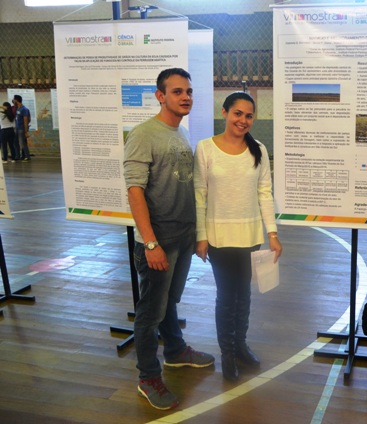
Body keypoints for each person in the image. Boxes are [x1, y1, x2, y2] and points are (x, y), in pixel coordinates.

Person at [123, 68, 214, 410]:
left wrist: (195, 235)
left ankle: (175, 351)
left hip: (182, 237)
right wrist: (150, 243)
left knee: (168, 303)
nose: (185, 97)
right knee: (150, 313)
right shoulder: (144, 134)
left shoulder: (181, 132)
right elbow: (135, 191)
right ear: (160, 96)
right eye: (177, 91)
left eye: (188, 91)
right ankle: (148, 377)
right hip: (157, 242)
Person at [194, 91, 282, 382]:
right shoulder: (205, 149)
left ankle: (241, 346)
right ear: (225, 112)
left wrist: (272, 233)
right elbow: (199, 195)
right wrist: (201, 236)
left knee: (243, 294)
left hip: (249, 236)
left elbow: (264, 193)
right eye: (238, 113)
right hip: (218, 238)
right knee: (226, 297)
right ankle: (228, 354)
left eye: (249, 116)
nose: (243, 120)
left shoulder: (259, 150)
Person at [13, 95, 31, 161]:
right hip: (17, 128)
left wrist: (26, 131)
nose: (13, 101)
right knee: (15, 142)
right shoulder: (18, 108)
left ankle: (27, 156)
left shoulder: (24, 109)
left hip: (21, 129)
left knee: (22, 143)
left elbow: (25, 120)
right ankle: (17, 156)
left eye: (14, 99)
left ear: (16, 100)